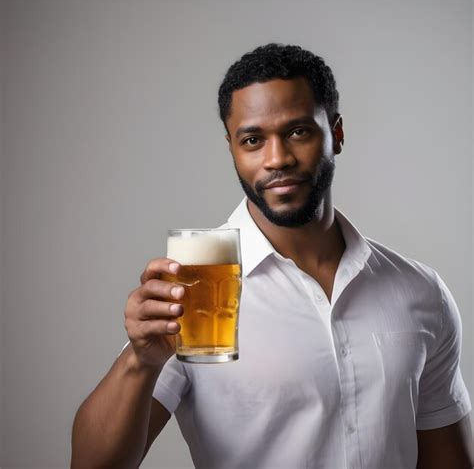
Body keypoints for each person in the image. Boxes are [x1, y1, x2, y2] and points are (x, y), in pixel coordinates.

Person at [71, 43, 473, 468]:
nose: (277, 159)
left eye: (298, 132)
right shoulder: (196, 294)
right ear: (232, 148)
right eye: (253, 140)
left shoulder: (420, 291)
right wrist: (139, 361)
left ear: (335, 133)